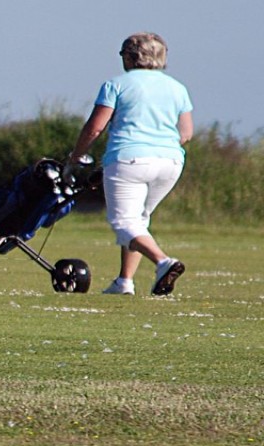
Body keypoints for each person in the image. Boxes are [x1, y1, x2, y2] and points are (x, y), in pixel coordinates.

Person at [70, 32, 193, 296]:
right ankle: (124, 281)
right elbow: (186, 133)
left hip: (128, 158)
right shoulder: (177, 88)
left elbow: (95, 128)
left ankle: (163, 262)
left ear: (129, 56)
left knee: (124, 222)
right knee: (139, 221)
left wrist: (77, 156)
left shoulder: (116, 85)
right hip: (170, 162)